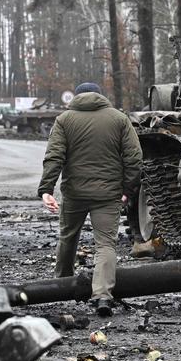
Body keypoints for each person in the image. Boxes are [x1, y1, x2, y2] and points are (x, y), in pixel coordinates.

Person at [38, 82, 142, 316]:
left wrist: (46, 189)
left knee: (68, 235)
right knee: (105, 243)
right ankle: (103, 296)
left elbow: (54, 156)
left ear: (76, 97)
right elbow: (134, 157)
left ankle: (63, 283)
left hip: (74, 193)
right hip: (108, 194)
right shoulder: (119, 119)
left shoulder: (64, 120)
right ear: (99, 96)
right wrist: (128, 189)